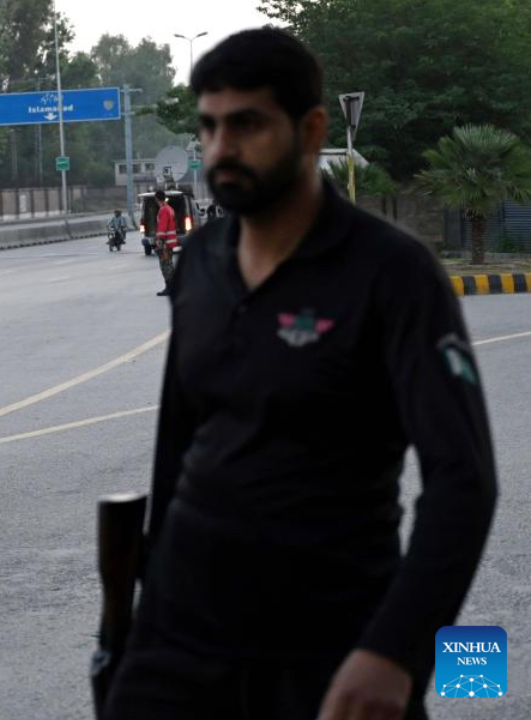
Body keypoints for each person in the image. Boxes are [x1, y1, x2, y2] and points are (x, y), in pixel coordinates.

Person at [103, 28, 497, 720]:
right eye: (210, 126)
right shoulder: (201, 261)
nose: (222, 147)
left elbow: (464, 481)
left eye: (248, 124)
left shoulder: (391, 272)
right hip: (181, 633)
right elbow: (179, 439)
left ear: (311, 130)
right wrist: (139, 616)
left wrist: (395, 652)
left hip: (332, 639)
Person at [153, 190, 178, 295]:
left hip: (165, 243)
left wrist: (160, 241)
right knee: (169, 264)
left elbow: (162, 227)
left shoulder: (163, 210)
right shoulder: (170, 209)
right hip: (169, 242)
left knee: (165, 266)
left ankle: (170, 288)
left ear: (156, 199)